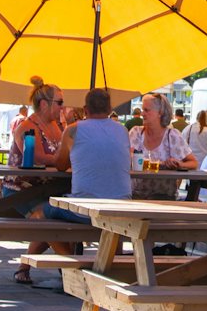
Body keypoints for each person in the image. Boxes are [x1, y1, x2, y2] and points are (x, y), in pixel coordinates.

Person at [16, 88, 133, 284]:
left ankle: (72, 265)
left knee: (40, 216)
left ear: (85, 109)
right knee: (60, 210)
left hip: (86, 210)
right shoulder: (122, 130)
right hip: (121, 208)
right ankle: (91, 268)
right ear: (110, 108)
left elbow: (61, 164)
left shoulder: (73, 129)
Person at [4, 77, 64, 216]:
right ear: (44, 104)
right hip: (21, 190)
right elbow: (38, 159)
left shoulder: (56, 125)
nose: (62, 107)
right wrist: (62, 160)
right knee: (46, 218)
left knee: (68, 215)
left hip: (48, 189)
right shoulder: (27, 127)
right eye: (59, 102)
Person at [129, 93, 196, 199]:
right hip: (136, 195)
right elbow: (129, 158)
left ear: (160, 113)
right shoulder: (136, 133)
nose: (142, 113)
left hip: (164, 196)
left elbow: (193, 163)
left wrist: (179, 164)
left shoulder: (172, 135)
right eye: (142, 110)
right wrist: (162, 164)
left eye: (146, 110)